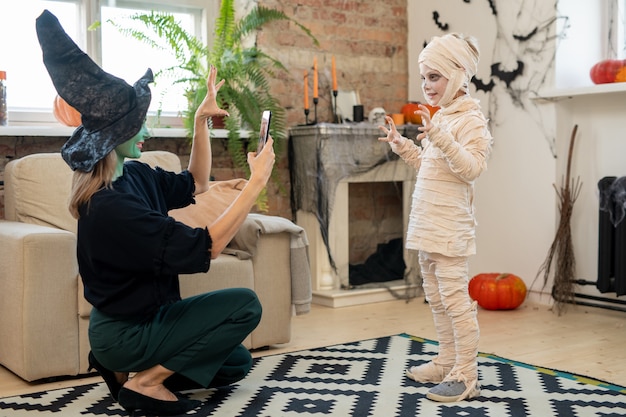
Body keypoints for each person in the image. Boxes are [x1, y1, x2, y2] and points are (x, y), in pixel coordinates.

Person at [36, 10, 275, 416]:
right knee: (245, 305)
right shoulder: (111, 207)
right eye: (140, 126)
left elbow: (195, 183)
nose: (146, 133)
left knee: (235, 361)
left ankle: (131, 372)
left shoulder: (133, 174)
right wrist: (255, 184)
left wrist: (201, 120)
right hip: (124, 331)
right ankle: (144, 382)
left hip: (154, 316)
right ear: (117, 136)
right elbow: (209, 247)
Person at [378, 32, 493, 402]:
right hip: (428, 223)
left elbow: (471, 168)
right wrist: (402, 145)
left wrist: (441, 137)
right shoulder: (442, 117)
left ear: (458, 75)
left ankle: (466, 374)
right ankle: (446, 360)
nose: (426, 85)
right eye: (424, 77)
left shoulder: (469, 121)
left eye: (435, 77)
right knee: (436, 296)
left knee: (456, 299)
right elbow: (429, 164)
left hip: (449, 227)